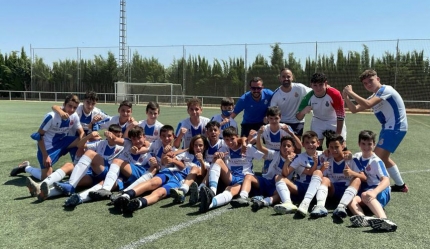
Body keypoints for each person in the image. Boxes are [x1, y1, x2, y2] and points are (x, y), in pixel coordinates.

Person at [343, 69, 408, 192]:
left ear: (378, 79)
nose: (368, 84)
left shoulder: (385, 90)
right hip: (388, 129)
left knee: (374, 157)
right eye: (365, 83)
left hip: (395, 127)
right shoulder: (374, 95)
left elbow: (367, 104)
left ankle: (375, 185)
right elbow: (354, 109)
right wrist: (346, 97)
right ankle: (401, 185)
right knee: (383, 158)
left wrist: (351, 92)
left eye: (370, 81)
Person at [26, 124, 124, 202]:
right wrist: (89, 136)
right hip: (93, 176)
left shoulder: (122, 148)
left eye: (119, 136)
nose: (117, 139)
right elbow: (79, 145)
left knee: (90, 153)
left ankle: (70, 186)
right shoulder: (100, 143)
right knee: (69, 174)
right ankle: (43, 192)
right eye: (115, 135)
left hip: (106, 175)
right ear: (108, 134)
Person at [112, 134, 209, 213]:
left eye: (200, 145)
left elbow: (203, 175)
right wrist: (169, 158)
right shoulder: (187, 154)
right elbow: (170, 161)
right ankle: (126, 196)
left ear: (205, 147)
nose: (198, 148)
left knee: (160, 193)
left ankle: (139, 203)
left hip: (180, 181)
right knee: (153, 182)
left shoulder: (207, 161)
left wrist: (201, 162)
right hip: (171, 172)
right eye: (195, 145)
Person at [10, 94, 85, 180]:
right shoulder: (51, 116)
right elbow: (39, 136)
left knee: (82, 141)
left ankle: (76, 167)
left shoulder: (74, 116)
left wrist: (81, 147)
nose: (72, 110)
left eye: (74, 107)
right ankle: (25, 167)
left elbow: (82, 132)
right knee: (46, 177)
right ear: (64, 104)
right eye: (70, 106)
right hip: (48, 147)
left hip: (63, 142)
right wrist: (45, 155)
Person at [295, 133, 365, 218]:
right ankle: (319, 206)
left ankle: (341, 207)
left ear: (342, 146)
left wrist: (352, 173)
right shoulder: (327, 157)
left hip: (348, 189)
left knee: (357, 179)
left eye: (336, 147)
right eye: (331, 147)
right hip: (333, 190)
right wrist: (322, 168)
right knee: (322, 176)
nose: (334, 150)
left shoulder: (352, 159)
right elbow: (319, 177)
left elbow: (364, 178)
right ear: (328, 147)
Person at [199, 126, 265, 213]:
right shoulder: (225, 148)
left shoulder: (247, 147)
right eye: (226, 139)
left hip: (244, 180)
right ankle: (212, 192)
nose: (229, 142)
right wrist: (217, 154)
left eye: (232, 139)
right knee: (217, 160)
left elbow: (264, 156)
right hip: (231, 177)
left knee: (230, 190)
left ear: (237, 137)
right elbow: (216, 154)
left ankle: (209, 204)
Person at [230, 130, 297, 212]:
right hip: (267, 181)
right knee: (248, 176)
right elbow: (260, 148)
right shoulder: (275, 154)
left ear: (293, 148)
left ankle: (263, 202)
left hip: (278, 186)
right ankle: (242, 197)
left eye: (288, 146)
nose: (285, 147)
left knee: (281, 194)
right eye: (283, 145)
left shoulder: (297, 159)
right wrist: (259, 135)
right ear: (280, 147)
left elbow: (286, 174)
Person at [87, 126, 155, 201]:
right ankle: (83, 197)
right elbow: (116, 139)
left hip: (138, 173)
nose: (137, 141)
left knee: (116, 161)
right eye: (134, 139)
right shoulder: (128, 143)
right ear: (131, 139)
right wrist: (109, 134)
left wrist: (151, 161)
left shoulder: (150, 148)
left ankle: (106, 189)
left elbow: (152, 160)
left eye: (139, 138)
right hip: (124, 175)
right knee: (107, 181)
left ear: (144, 137)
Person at [348, 130, 397, 232]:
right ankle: (363, 218)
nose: (366, 147)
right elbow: (345, 156)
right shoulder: (356, 157)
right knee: (350, 198)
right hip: (365, 193)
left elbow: (386, 180)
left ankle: (384, 220)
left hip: (380, 192)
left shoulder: (376, 161)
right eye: (363, 144)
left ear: (374, 144)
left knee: (366, 194)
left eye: (369, 144)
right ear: (359, 144)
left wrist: (374, 192)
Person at [273, 131, 322, 214]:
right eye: (307, 142)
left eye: (313, 142)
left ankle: (313, 203)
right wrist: (287, 162)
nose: (310, 145)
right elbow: (285, 174)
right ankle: (288, 203)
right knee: (278, 177)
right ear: (303, 144)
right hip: (301, 187)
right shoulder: (299, 158)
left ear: (318, 143)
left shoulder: (324, 154)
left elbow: (341, 152)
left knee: (321, 175)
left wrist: (347, 153)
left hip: (318, 189)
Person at [296, 72, 347, 150]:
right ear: (311, 85)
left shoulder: (334, 94)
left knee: (340, 146)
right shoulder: (308, 97)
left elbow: (340, 115)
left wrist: (338, 134)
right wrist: (303, 111)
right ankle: (319, 162)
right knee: (315, 146)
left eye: (320, 85)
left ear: (326, 83)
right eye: (315, 85)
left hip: (333, 120)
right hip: (318, 121)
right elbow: (298, 117)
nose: (318, 88)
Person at [270, 68, 312, 152]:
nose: (286, 79)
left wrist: (327, 88)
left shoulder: (300, 87)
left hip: (297, 122)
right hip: (283, 122)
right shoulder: (276, 94)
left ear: (292, 77)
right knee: (284, 147)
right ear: (280, 78)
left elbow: (314, 92)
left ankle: (296, 165)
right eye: (283, 76)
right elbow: (272, 111)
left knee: (297, 148)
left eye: (288, 76)